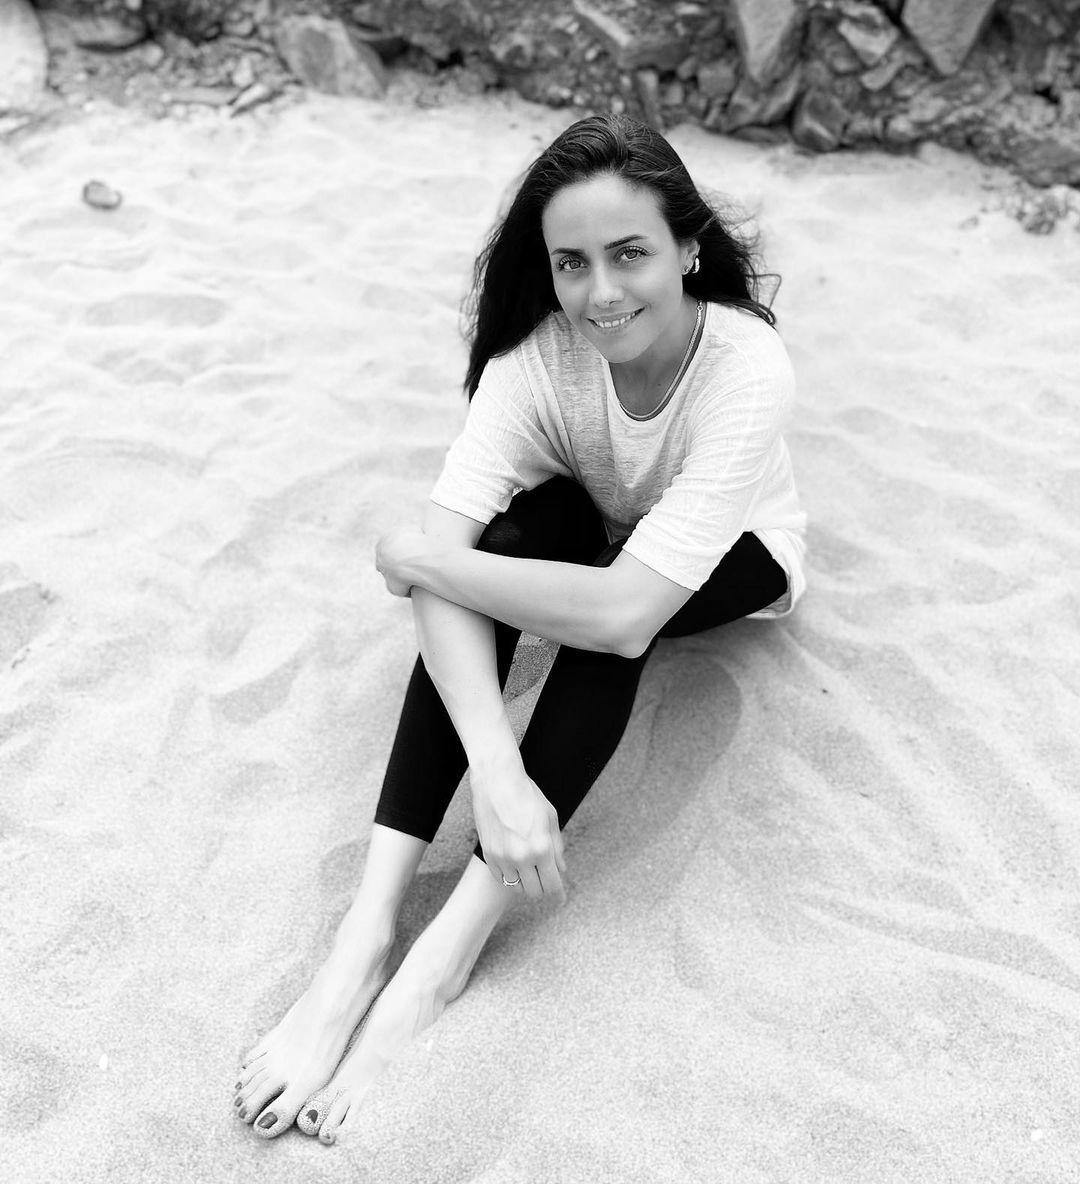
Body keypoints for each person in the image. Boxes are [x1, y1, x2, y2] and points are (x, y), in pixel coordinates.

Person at [232, 112, 806, 1145]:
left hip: (738, 556)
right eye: (571, 263)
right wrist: (495, 771)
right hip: (599, 533)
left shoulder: (747, 365)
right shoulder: (535, 360)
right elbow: (455, 570)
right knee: (518, 541)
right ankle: (366, 933)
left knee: (594, 610)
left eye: (630, 253)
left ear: (687, 247)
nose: (601, 292)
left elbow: (623, 613)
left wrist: (424, 559)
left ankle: (448, 950)